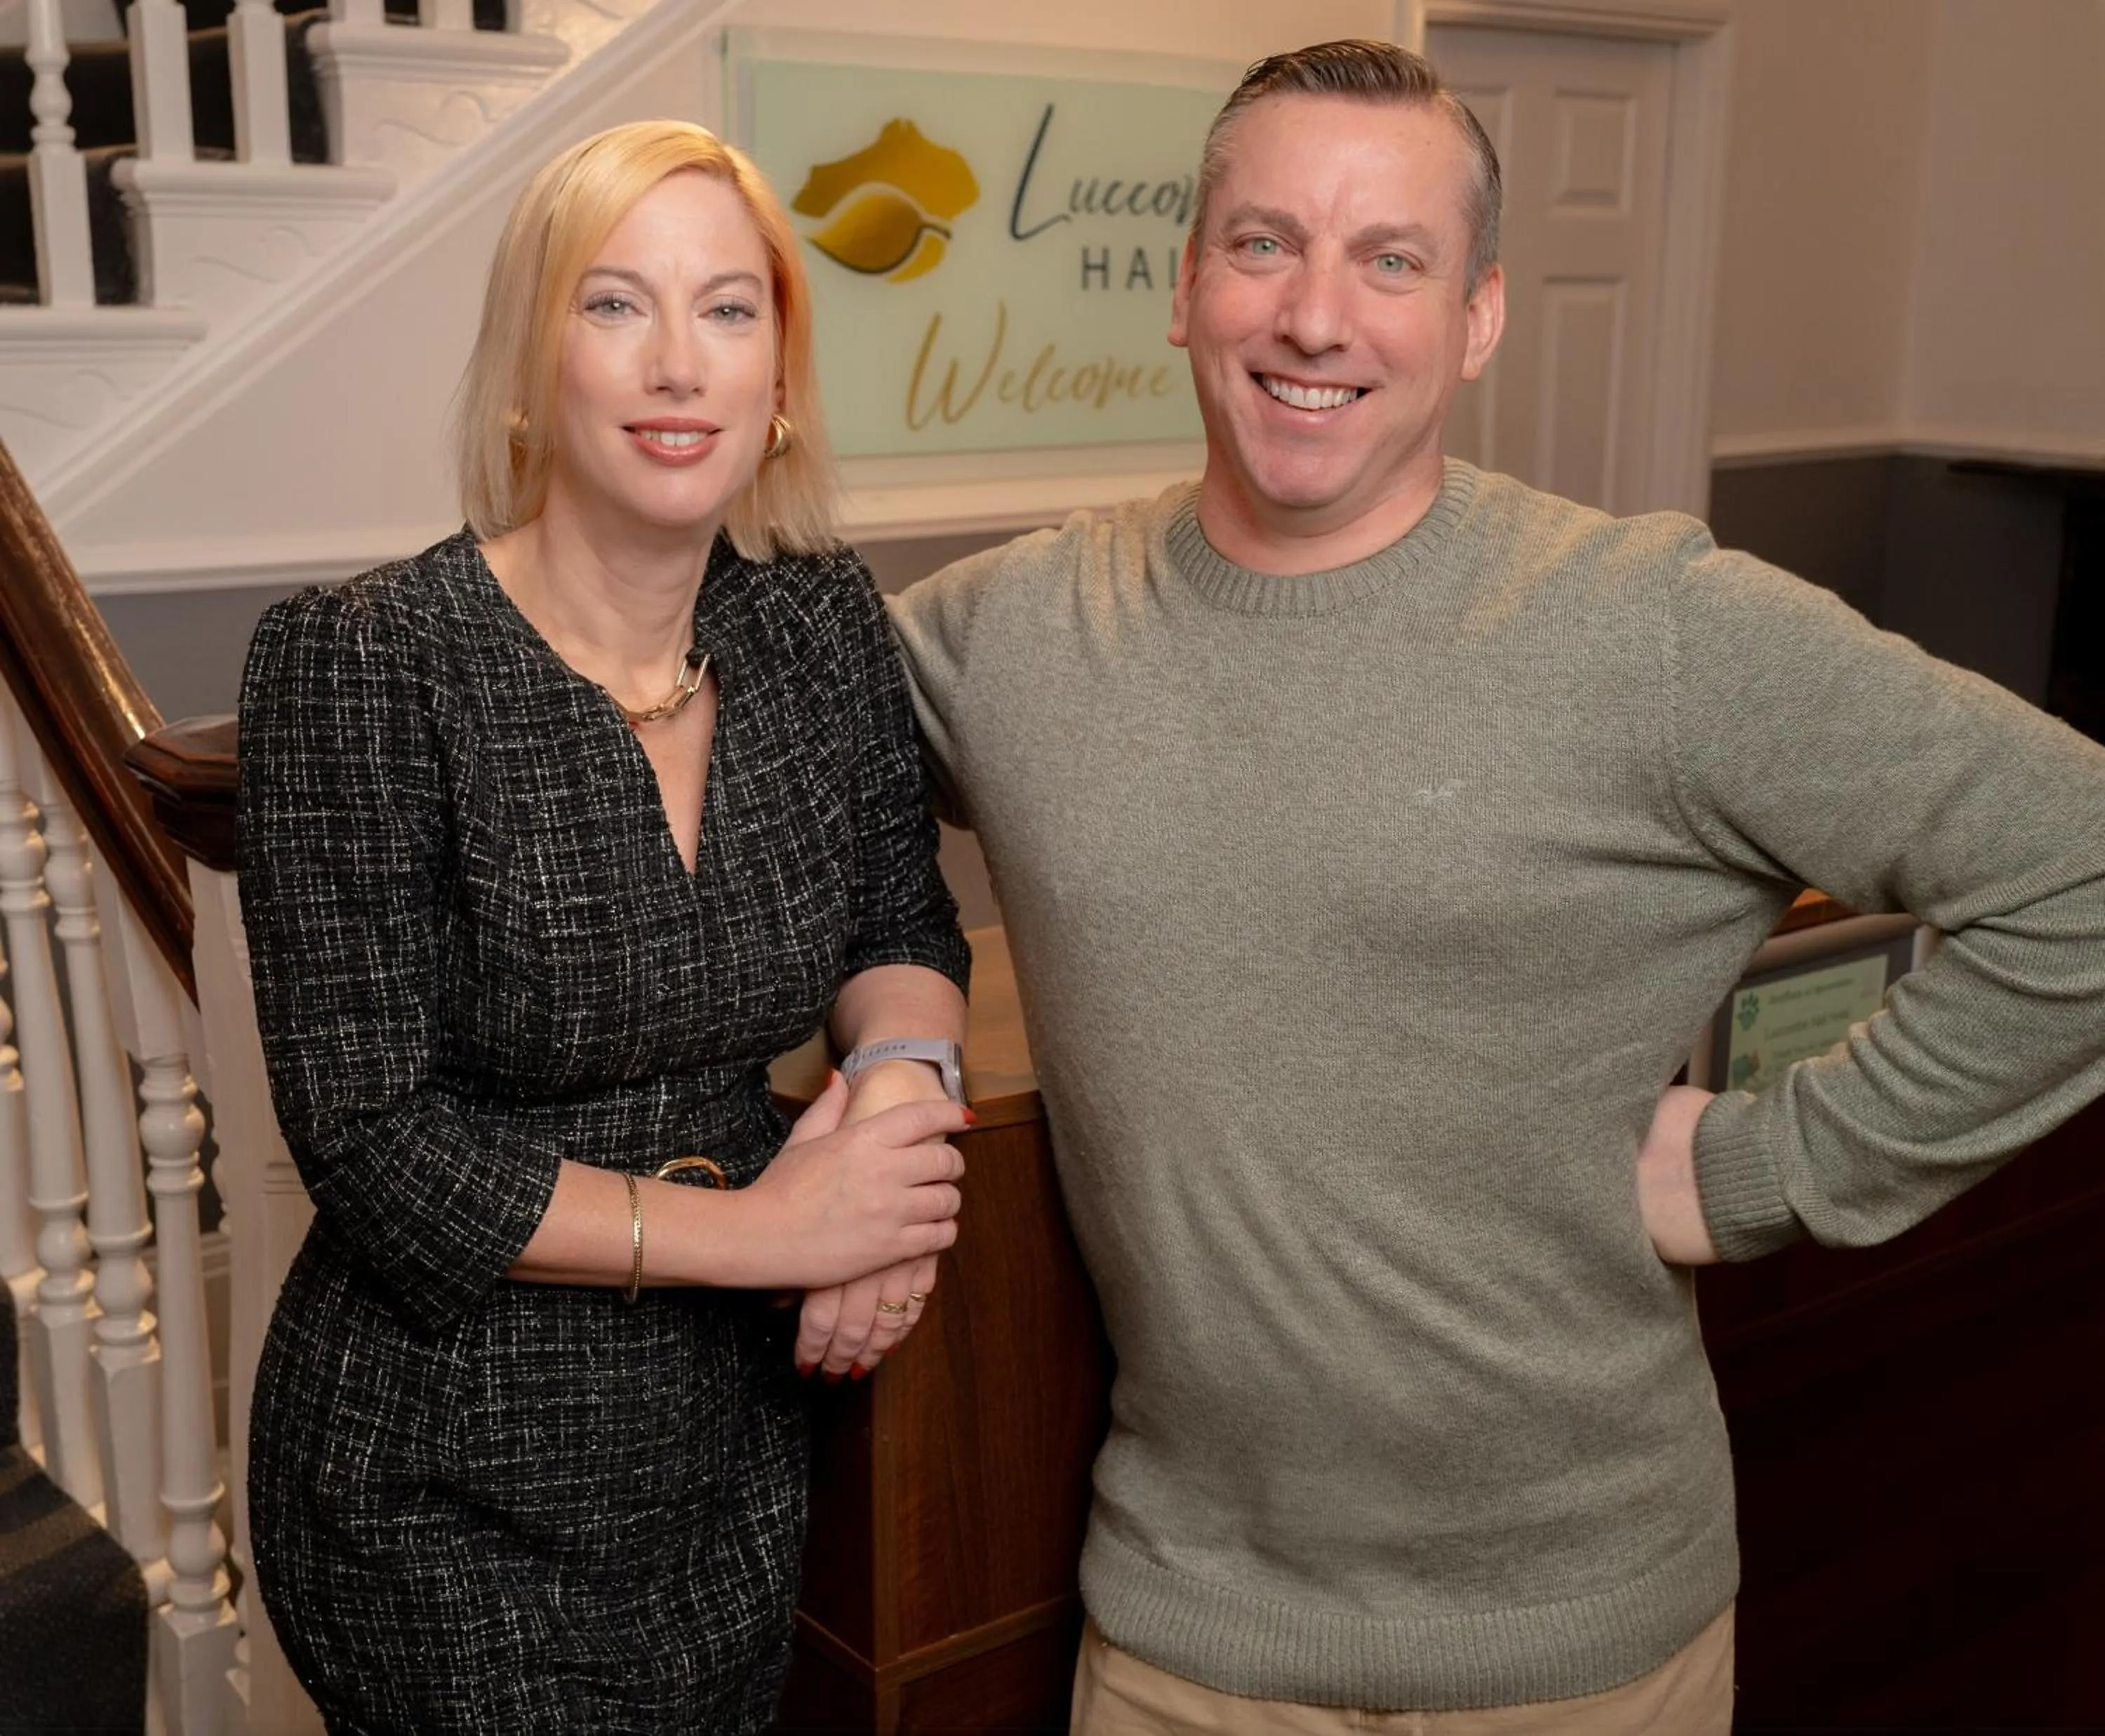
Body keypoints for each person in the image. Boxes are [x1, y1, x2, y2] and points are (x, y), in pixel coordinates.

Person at [888, 39, 2105, 1736]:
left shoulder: (1654, 632)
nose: (1318, 316)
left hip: (1580, 1652)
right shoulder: (1013, 633)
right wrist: (884, 1069)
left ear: (1477, 318)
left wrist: (1773, 1167)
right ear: (1184, 288)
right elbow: (740, 777)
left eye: (1392, 260)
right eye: (1264, 244)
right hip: (1181, 1644)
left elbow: (2083, 873)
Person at [236, 120, 973, 1734]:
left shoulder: (814, 620)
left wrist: (899, 1136)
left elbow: (899, 918)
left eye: (728, 310)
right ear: (530, 367)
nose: (677, 364)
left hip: (724, 1451)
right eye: (614, 304)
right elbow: (368, 1135)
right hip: (439, 1471)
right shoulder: (364, 661)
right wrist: (785, 1234)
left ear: (779, 375)